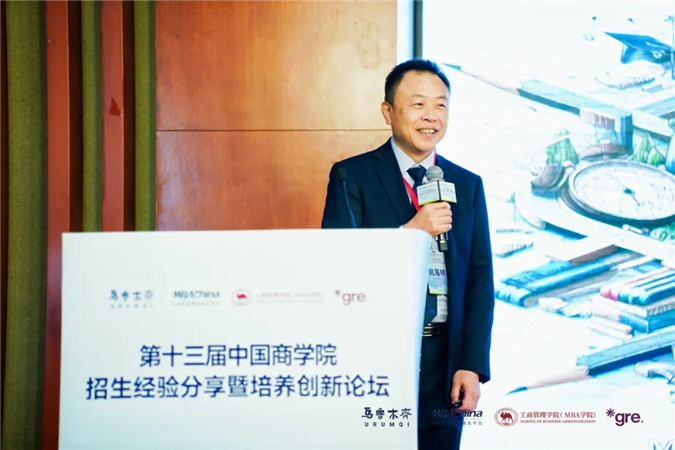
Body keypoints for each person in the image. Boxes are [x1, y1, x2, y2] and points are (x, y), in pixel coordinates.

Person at [321, 59, 494, 450]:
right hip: (377, 356)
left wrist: (471, 364)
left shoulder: (467, 184)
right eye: (418, 104)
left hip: (445, 360)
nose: (431, 116)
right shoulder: (352, 176)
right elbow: (338, 265)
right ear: (388, 112)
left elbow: (479, 279)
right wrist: (410, 234)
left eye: (440, 105)